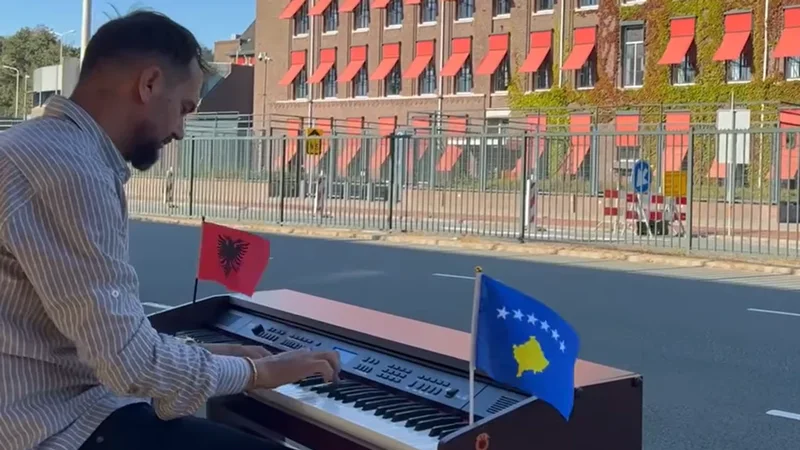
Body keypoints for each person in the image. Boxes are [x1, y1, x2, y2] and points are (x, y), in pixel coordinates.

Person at [0, 11, 340, 450]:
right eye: (184, 108)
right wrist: (259, 372)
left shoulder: (36, 147)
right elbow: (130, 363)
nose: (180, 130)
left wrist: (213, 356)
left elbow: (99, 336)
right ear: (149, 84)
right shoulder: (69, 170)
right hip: (57, 427)